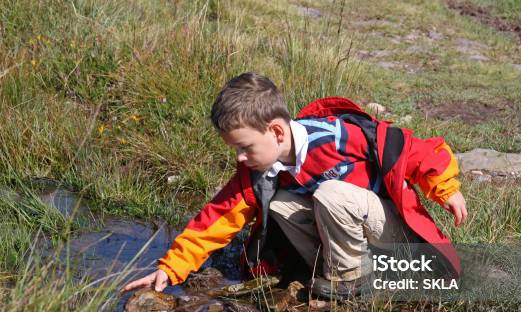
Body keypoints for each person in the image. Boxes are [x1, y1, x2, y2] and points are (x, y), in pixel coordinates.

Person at [121, 72, 467, 299]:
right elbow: (218, 218)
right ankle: (329, 269)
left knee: (331, 194)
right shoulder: (261, 168)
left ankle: (353, 282)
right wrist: (169, 269)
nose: (240, 157)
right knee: (278, 202)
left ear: (276, 132)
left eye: (245, 147)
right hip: (353, 236)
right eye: (235, 150)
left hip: (391, 234)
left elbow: (408, 148)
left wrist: (446, 189)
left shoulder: (334, 137)